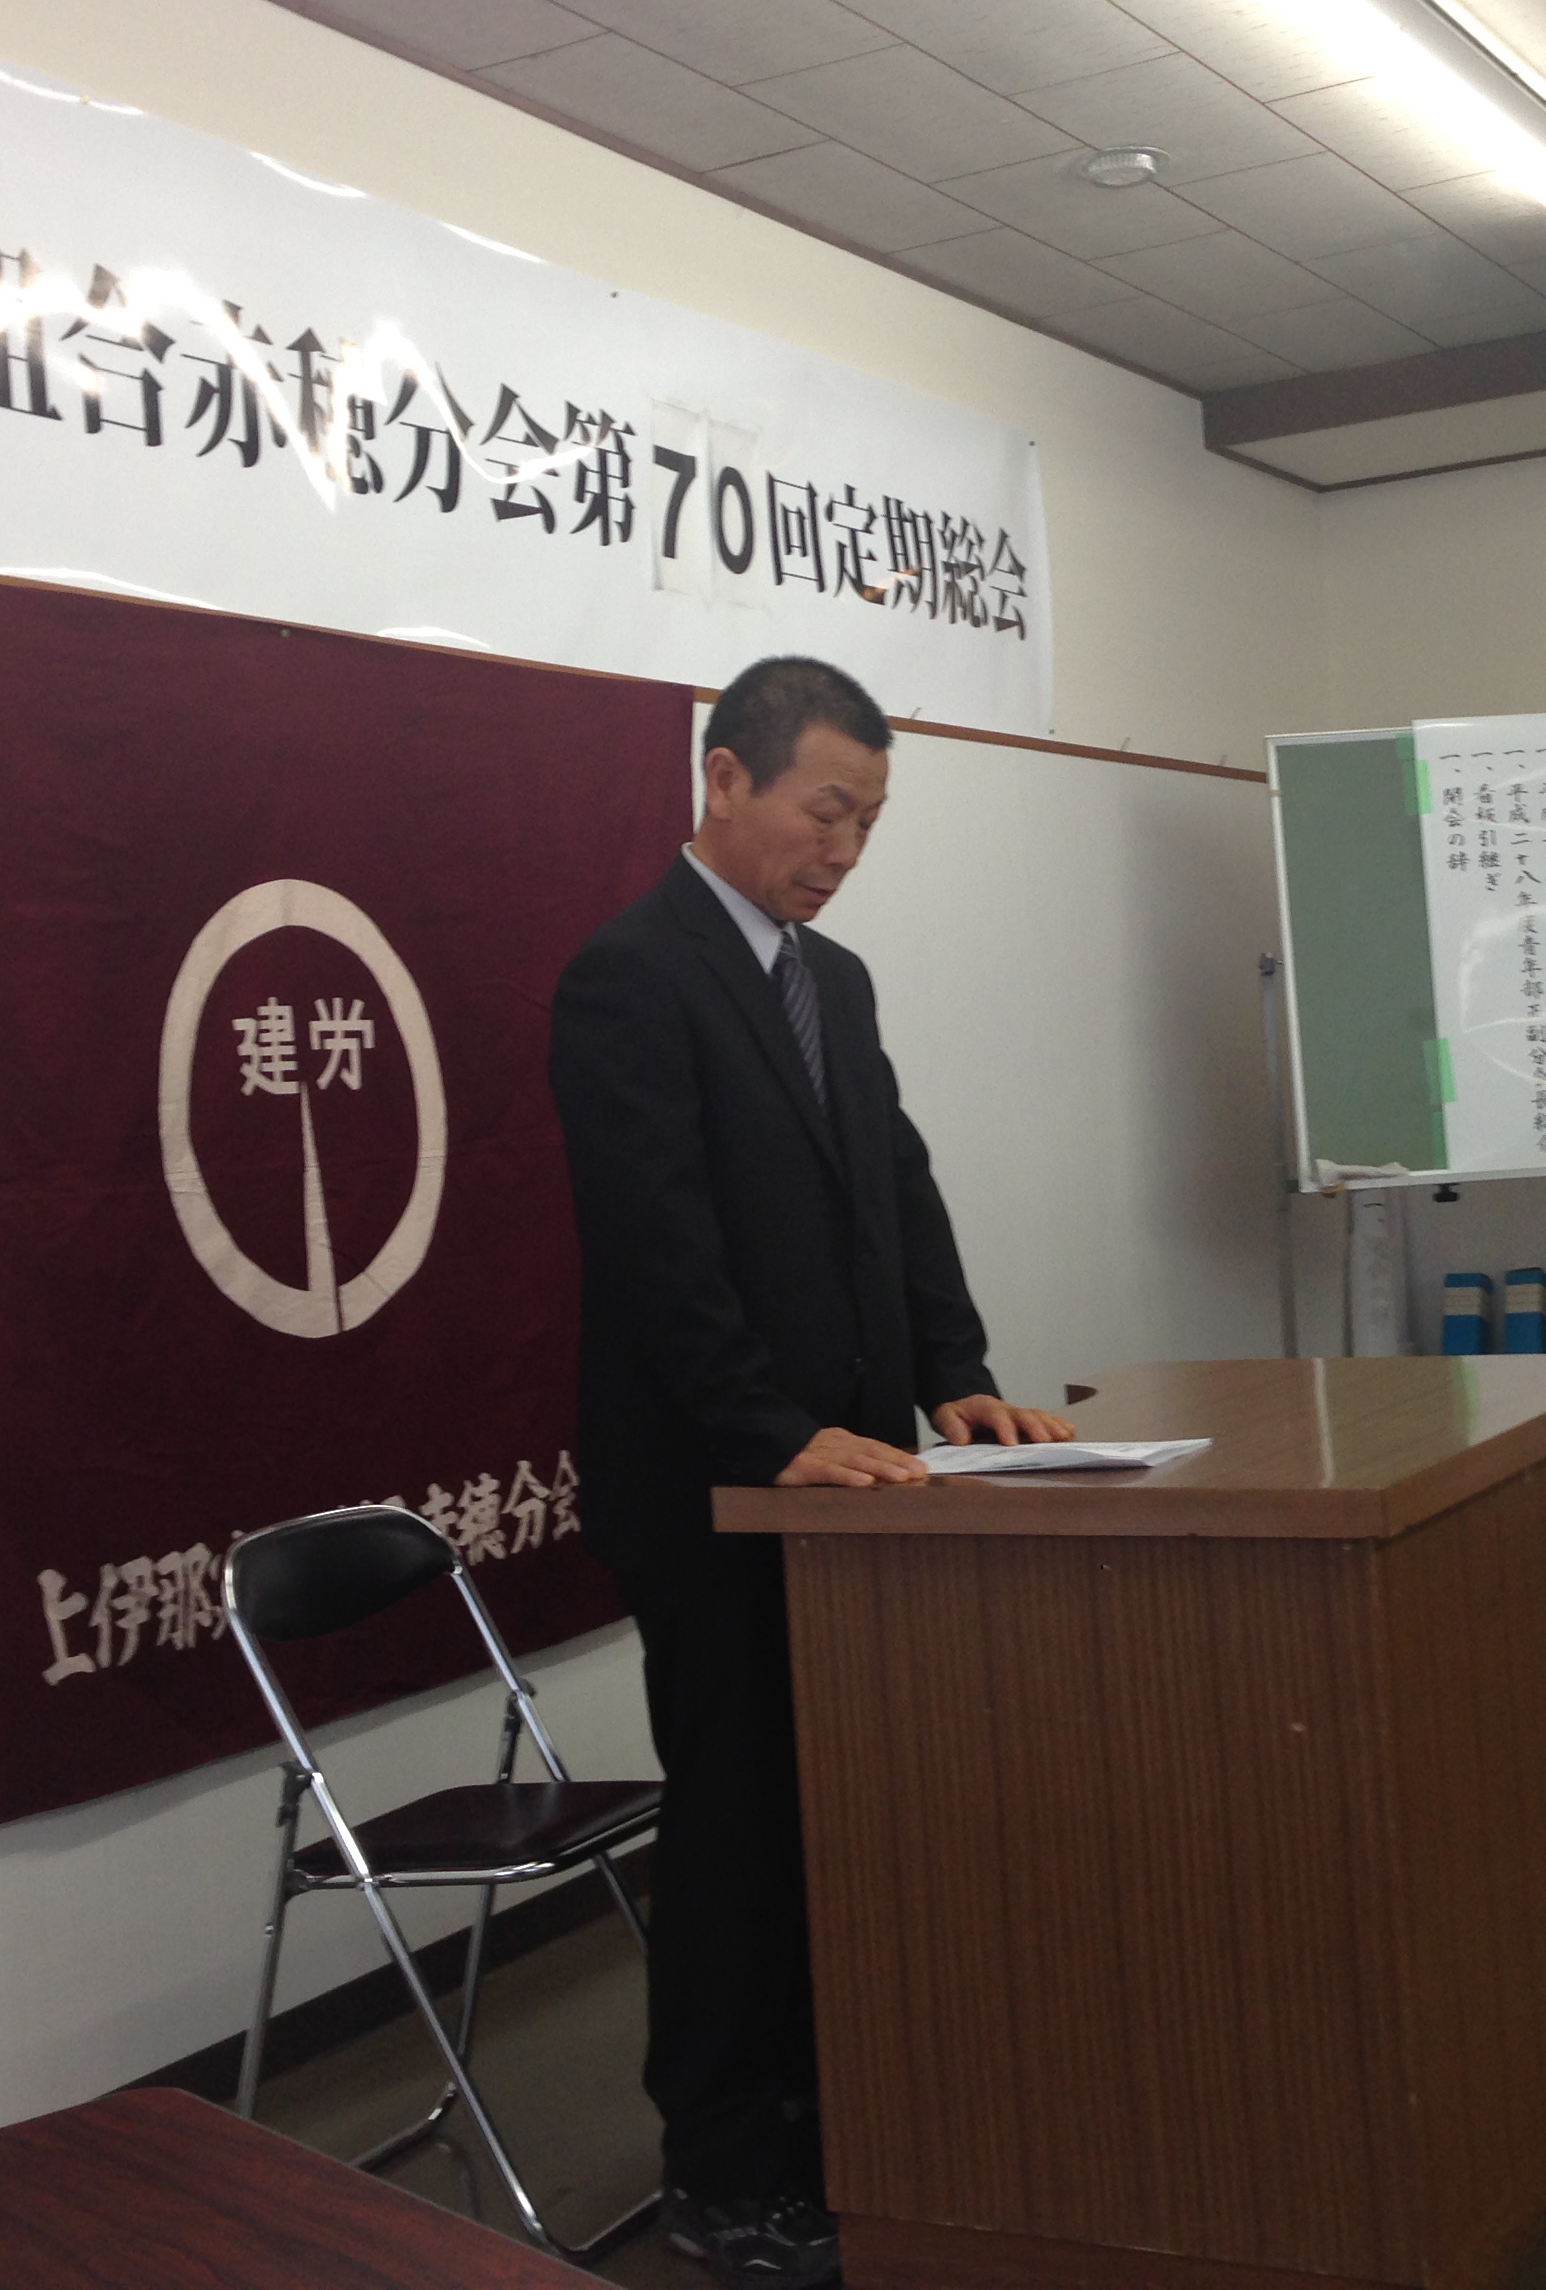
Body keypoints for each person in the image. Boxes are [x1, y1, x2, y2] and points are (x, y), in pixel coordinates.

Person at [547, 656, 1070, 2289]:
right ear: (724, 779)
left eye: (868, 823)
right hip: (717, 1494)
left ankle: (842, 2132)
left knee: (842, 1822)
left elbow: (891, 1188)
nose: (844, 850)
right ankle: (719, 2173)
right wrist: (763, 1429)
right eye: (824, 810)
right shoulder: (629, 976)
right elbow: (655, 1244)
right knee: (739, 1834)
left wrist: (954, 1371)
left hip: (850, 1483)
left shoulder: (829, 979)